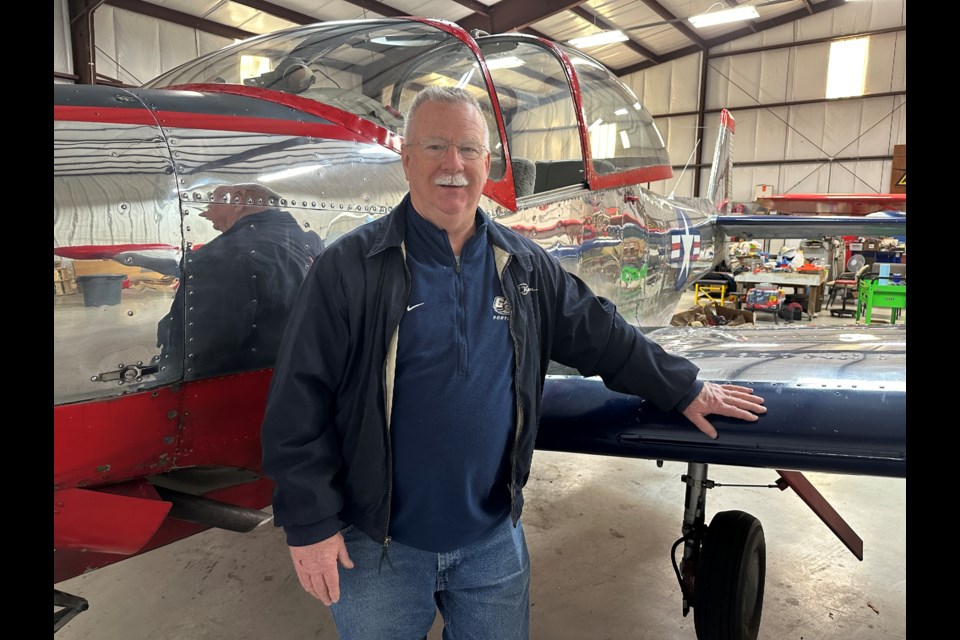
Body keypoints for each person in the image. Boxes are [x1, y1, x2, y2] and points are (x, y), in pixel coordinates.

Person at [260, 86, 766, 639]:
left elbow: (603, 335)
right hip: (376, 545)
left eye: (469, 150)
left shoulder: (524, 266)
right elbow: (297, 403)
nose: (453, 165)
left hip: (491, 542)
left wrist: (683, 386)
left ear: (487, 165)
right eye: (435, 147)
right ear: (406, 159)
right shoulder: (347, 269)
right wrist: (309, 523)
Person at [157, 184, 323, 379]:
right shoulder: (311, 242)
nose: (205, 214)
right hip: (295, 373)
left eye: (212, 201)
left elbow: (203, 353)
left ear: (238, 200)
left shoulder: (217, 257)